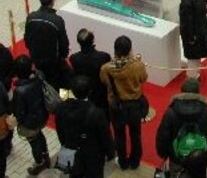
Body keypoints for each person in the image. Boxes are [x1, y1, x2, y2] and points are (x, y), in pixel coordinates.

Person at [100, 35, 149, 170]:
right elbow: (143, 79)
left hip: (116, 106)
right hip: (134, 105)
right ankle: (135, 162)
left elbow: (105, 82)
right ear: (130, 49)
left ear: (115, 50)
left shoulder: (106, 68)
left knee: (119, 135)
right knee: (136, 135)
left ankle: (122, 162)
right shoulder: (137, 65)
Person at [55, 74, 115, 177]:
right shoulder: (97, 113)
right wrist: (110, 153)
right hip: (93, 155)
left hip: (71, 150)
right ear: (90, 91)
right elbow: (105, 137)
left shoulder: (61, 108)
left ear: (72, 91)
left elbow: (60, 130)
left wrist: (65, 143)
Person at [156, 77, 207, 172]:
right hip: (200, 152)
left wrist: (163, 153)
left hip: (177, 155)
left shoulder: (170, 112)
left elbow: (163, 135)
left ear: (182, 91)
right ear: (198, 92)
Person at [11, 55, 50, 175]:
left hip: (30, 122)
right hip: (43, 115)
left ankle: (39, 163)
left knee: (34, 142)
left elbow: (19, 111)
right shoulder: (39, 77)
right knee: (40, 135)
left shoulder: (19, 91)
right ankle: (46, 155)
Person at [24, 0, 69, 91]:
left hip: (36, 57)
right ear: (53, 1)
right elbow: (63, 43)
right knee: (54, 83)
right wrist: (63, 56)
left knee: (40, 80)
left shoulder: (31, 17)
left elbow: (27, 38)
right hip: (52, 61)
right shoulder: (57, 20)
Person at [69, 28, 112, 111]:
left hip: (81, 93)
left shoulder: (74, 58)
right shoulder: (104, 57)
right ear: (93, 41)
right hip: (100, 96)